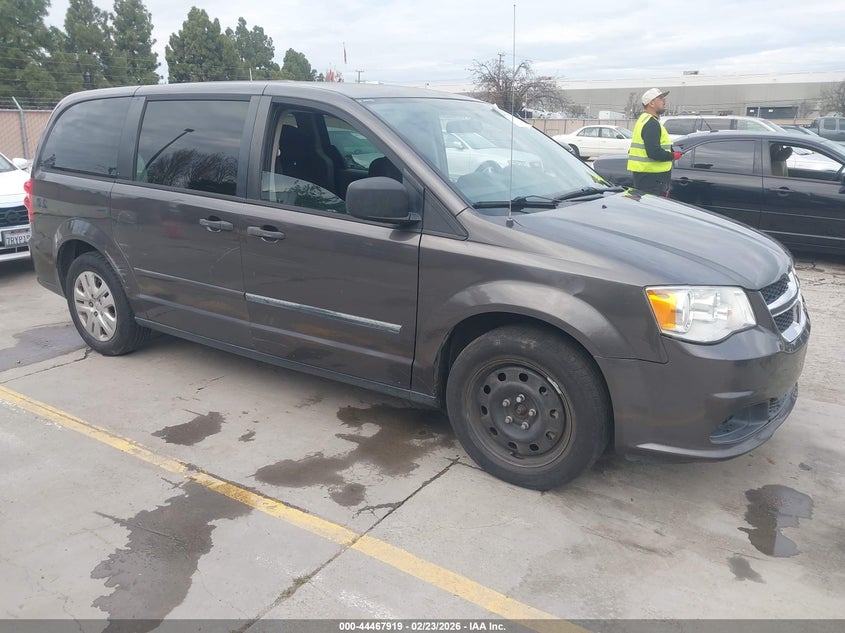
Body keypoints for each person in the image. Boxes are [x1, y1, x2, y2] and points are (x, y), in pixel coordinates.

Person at [627, 88, 682, 196]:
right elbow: (653, 152)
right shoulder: (651, 123)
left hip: (647, 177)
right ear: (651, 103)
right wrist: (673, 155)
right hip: (652, 179)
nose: (664, 101)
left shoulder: (644, 120)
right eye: (660, 98)